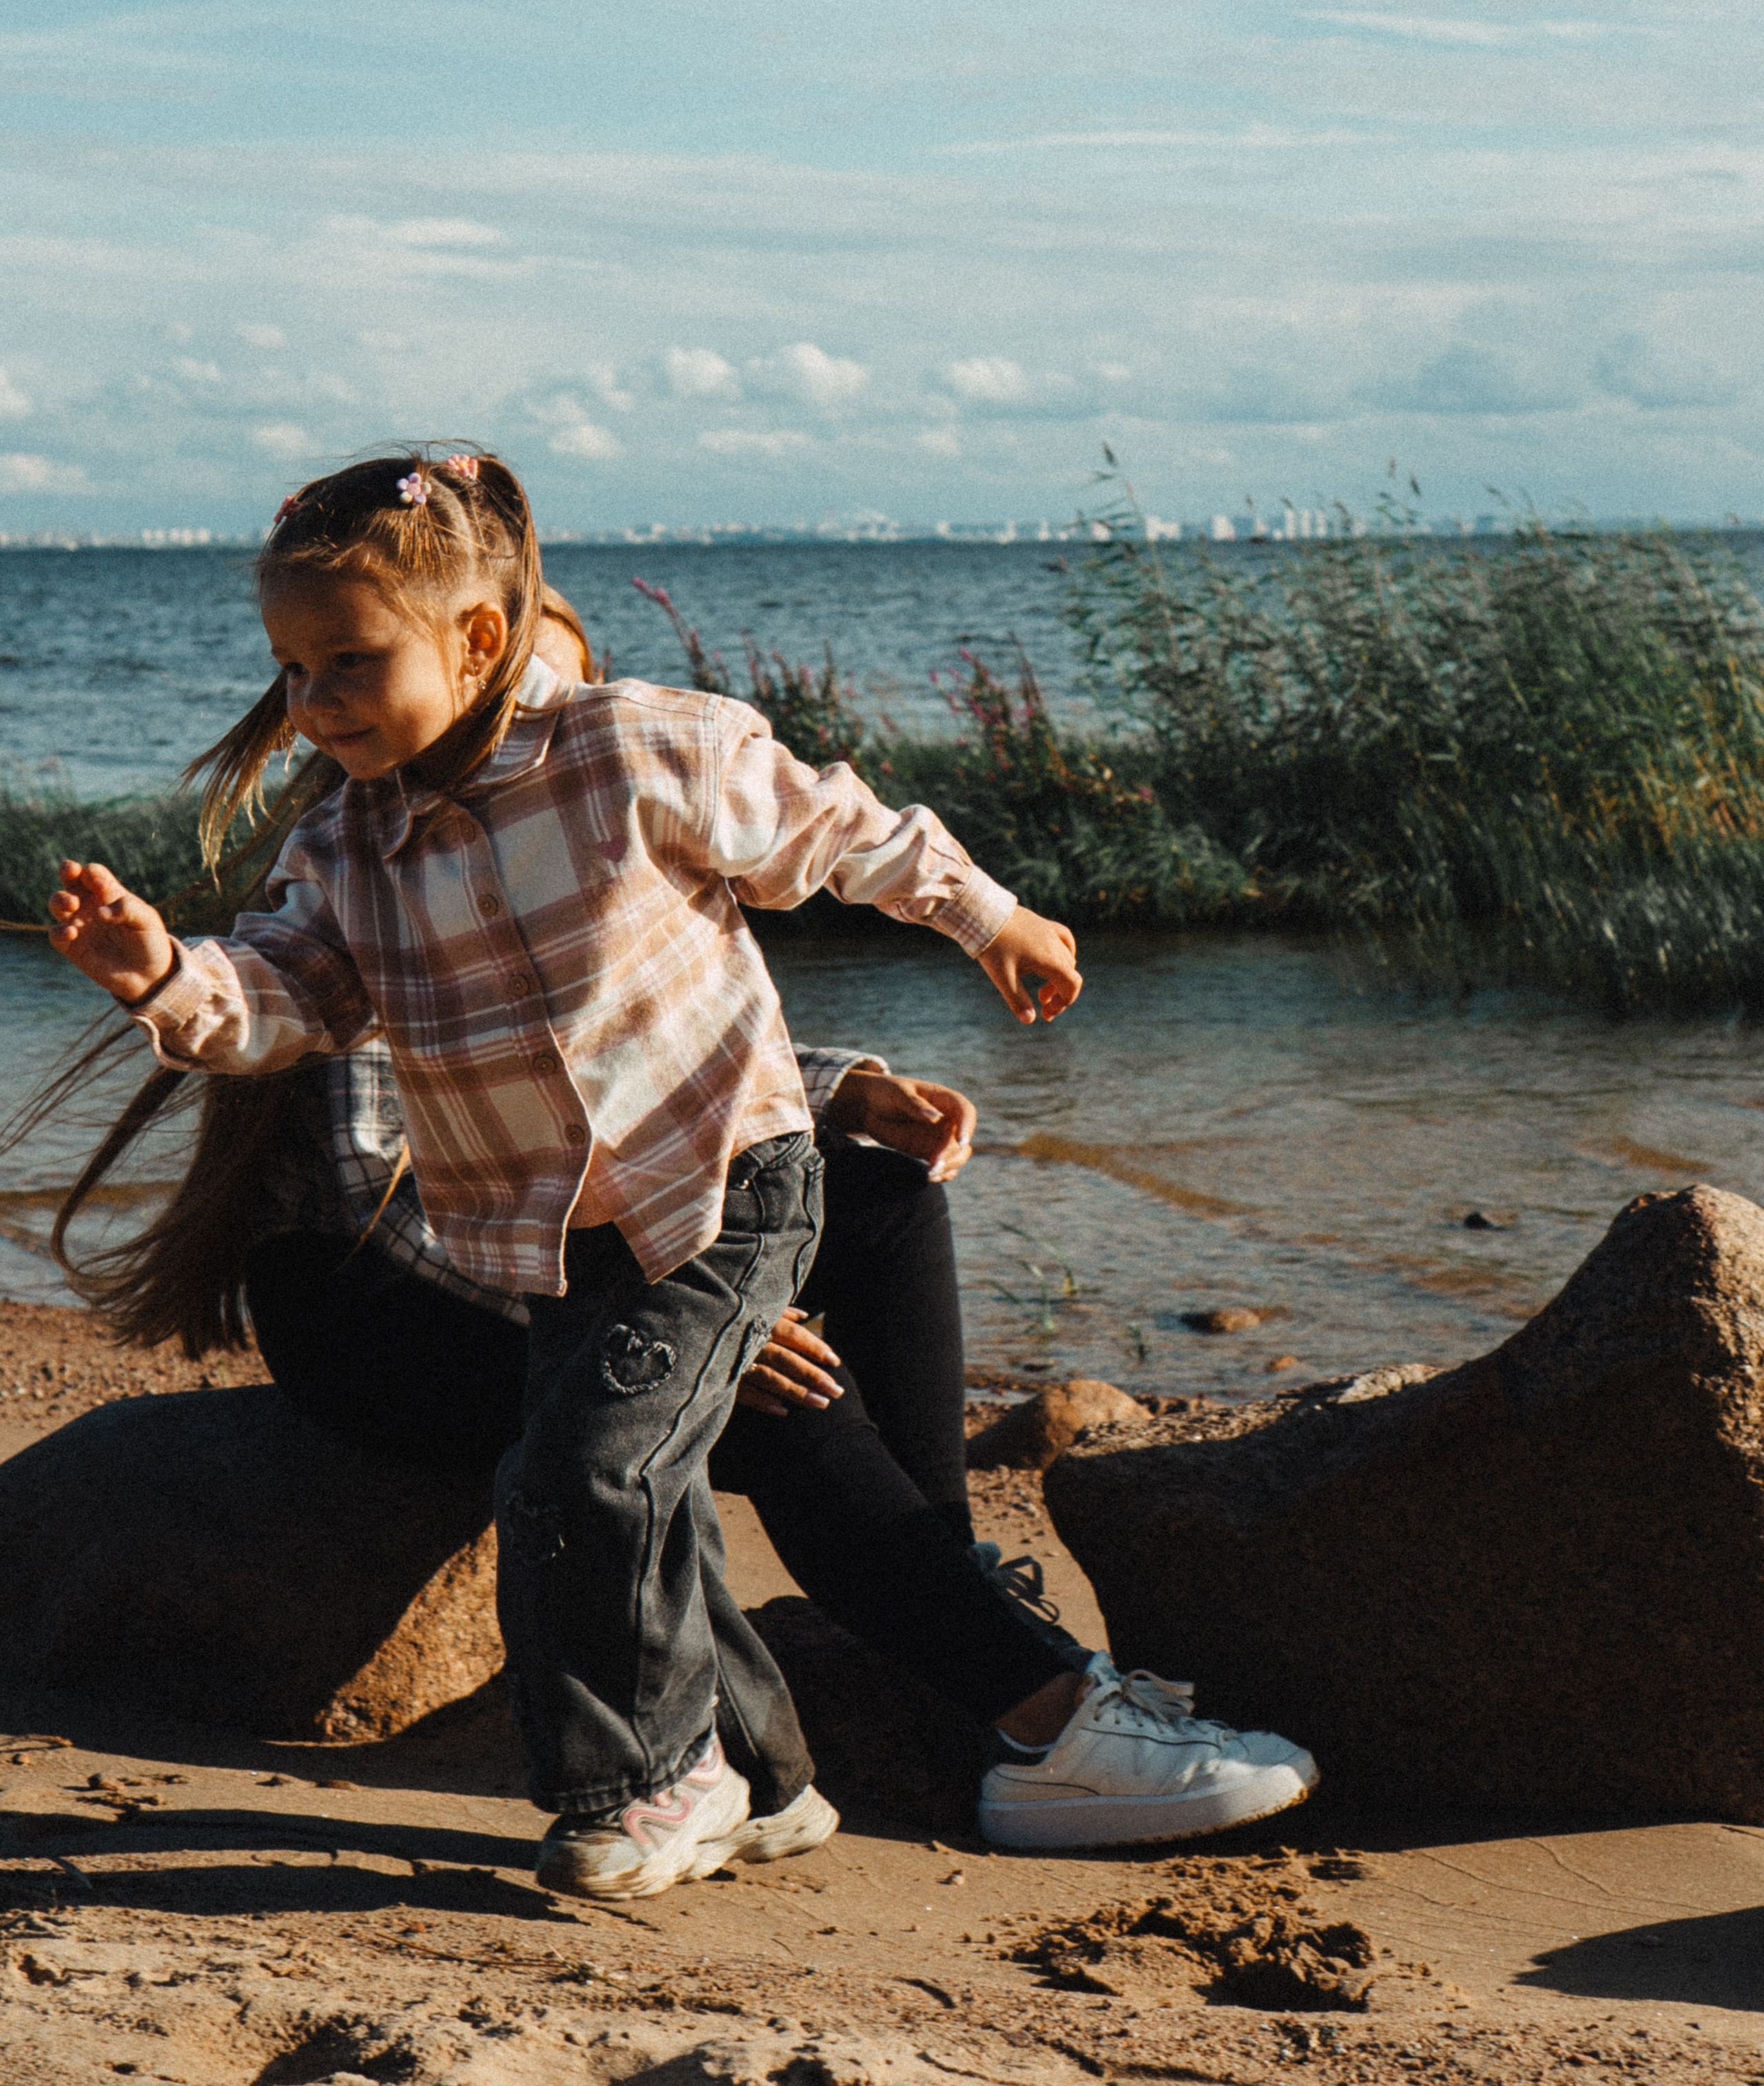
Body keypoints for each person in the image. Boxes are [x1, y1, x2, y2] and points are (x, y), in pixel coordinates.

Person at [48, 588, 1318, 1862]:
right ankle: (1042, 1720)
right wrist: (690, 1321)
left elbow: (619, 1030)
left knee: (876, 1196)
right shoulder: (379, 862)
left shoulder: (575, 789)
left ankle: (941, 1585)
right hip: (381, 1300)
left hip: (569, 1243)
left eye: (555, 712)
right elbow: (409, 1186)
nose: (532, 742)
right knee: (764, 1401)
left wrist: (841, 1090)